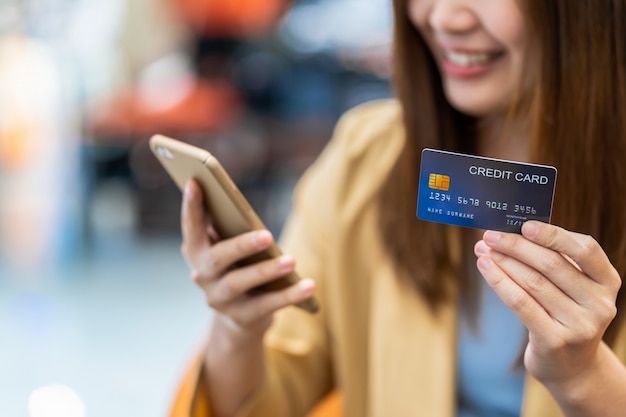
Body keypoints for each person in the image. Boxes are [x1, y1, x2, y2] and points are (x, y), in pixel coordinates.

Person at [172, 0, 626, 416]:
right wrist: (238, 325)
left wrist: (586, 378)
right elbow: (265, 403)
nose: (446, 18)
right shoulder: (364, 160)